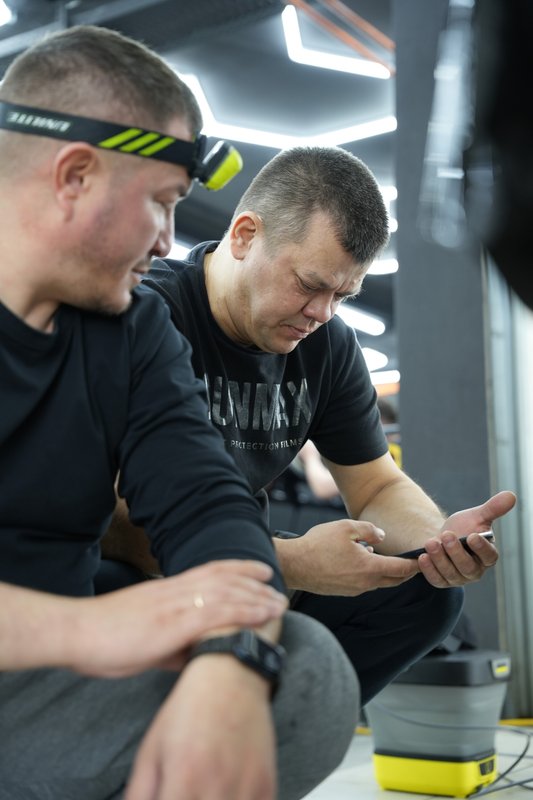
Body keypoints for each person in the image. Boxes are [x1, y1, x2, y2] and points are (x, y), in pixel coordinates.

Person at [0, 26, 360, 800]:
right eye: (161, 203)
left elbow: (206, 502)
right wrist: (87, 630)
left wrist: (232, 657)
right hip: (48, 642)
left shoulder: (133, 328)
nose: (168, 243)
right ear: (74, 176)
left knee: (306, 671)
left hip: (40, 686)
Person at [133, 145, 517, 706]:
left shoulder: (329, 345)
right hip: (145, 572)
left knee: (427, 596)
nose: (323, 313)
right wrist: (288, 563)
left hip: (249, 562)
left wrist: (437, 543)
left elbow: (376, 486)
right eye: (309, 284)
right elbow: (114, 522)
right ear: (244, 236)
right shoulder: (147, 312)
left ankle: (274, 739)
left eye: (342, 294)